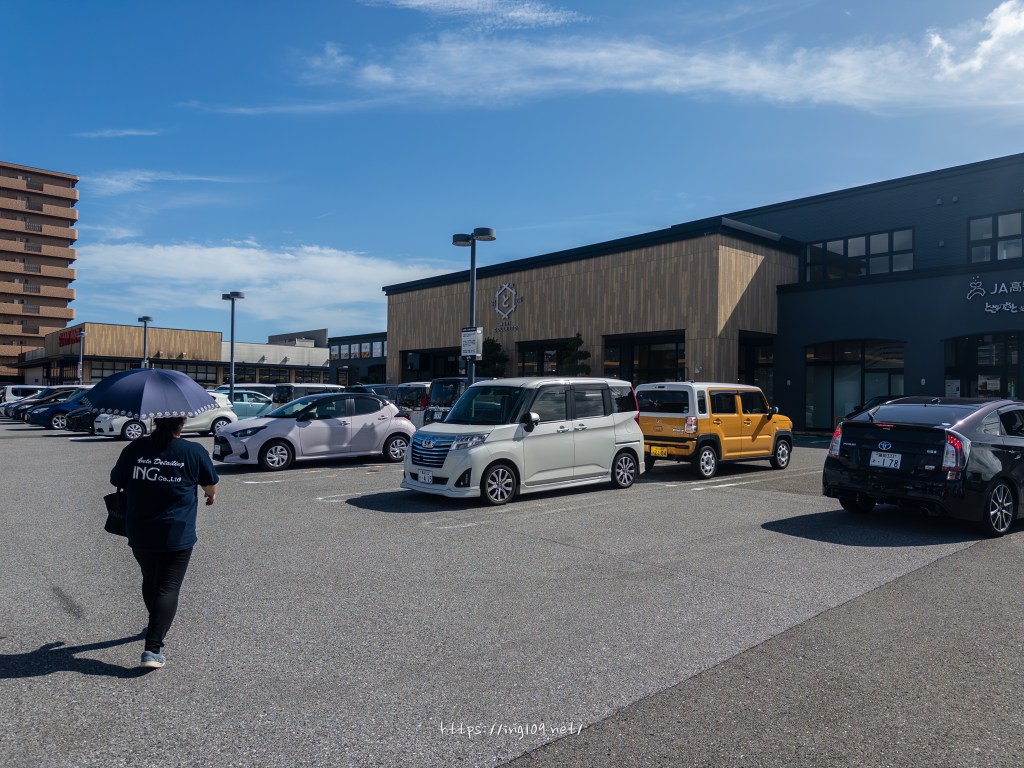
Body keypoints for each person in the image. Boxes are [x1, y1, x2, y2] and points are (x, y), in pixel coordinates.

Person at [110, 416, 218, 670]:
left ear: (156, 420)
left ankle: (156, 622)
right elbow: (210, 483)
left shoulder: (135, 448)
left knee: (151, 579)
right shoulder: (193, 451)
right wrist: (210, 496)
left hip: (139, 528)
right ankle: (152, 648)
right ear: (182, 423)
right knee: (168, 587)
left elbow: (117, 479)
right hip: (176, 531)